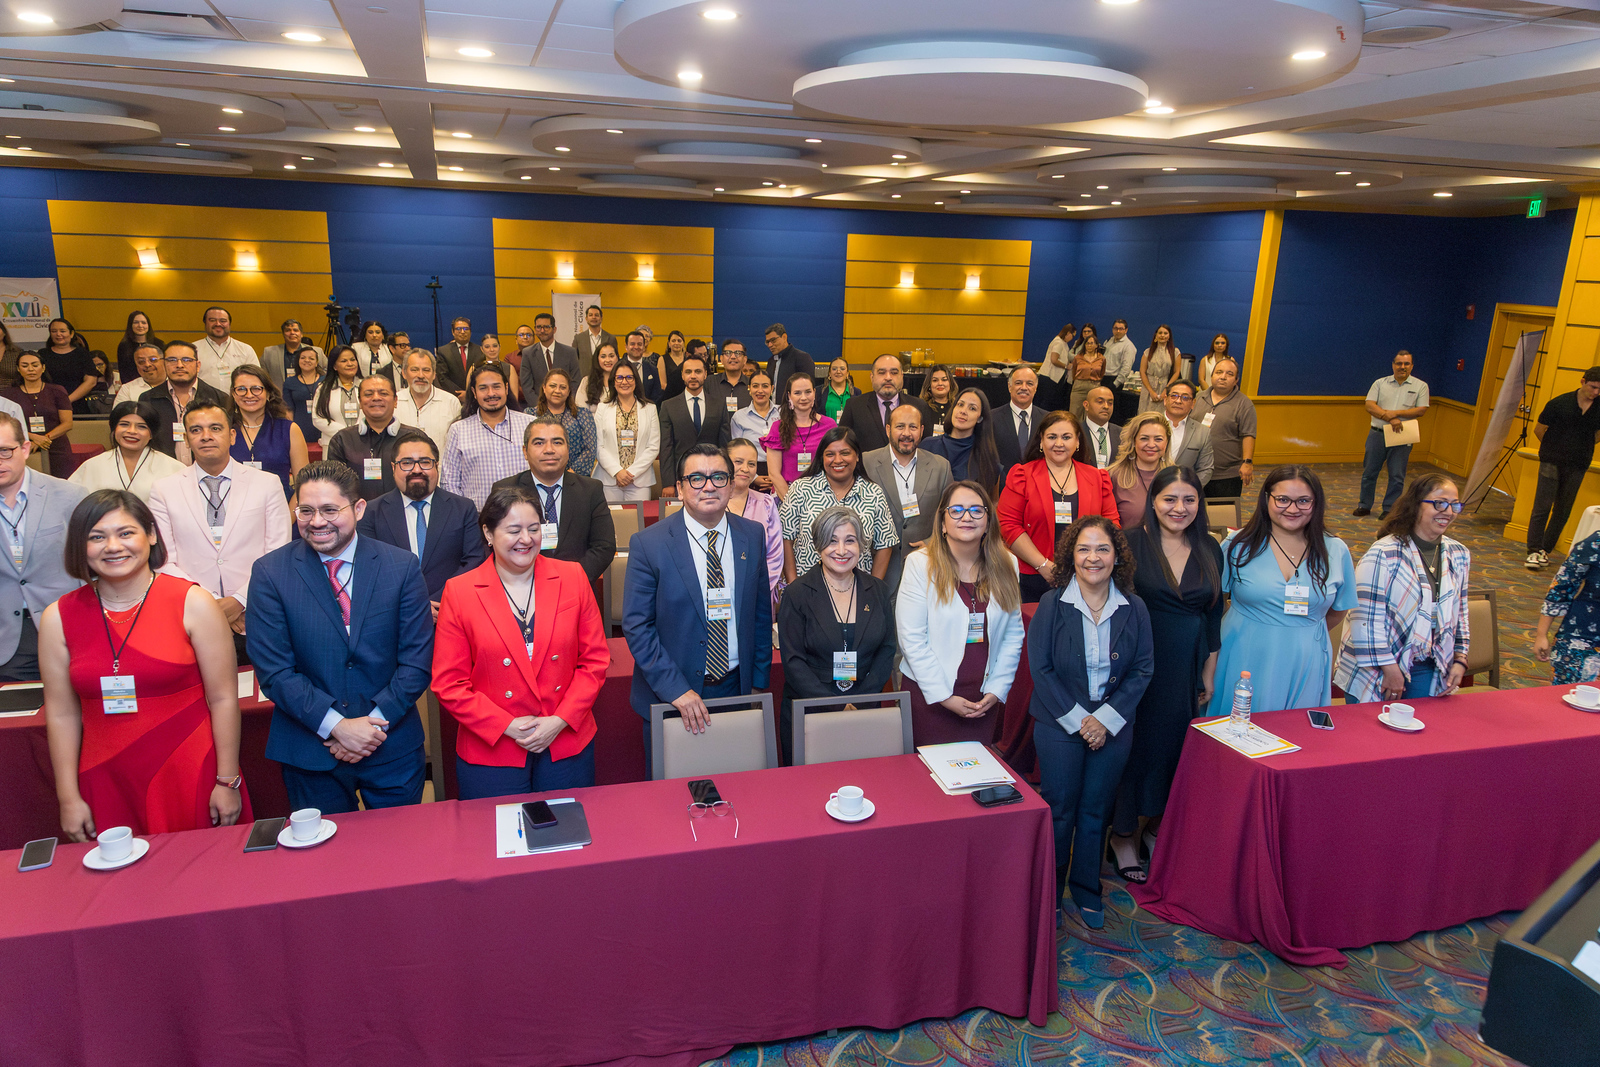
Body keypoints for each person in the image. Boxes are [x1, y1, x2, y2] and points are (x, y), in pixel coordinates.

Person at [40, 489, 250, 841]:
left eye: (125, 533)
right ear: (81, 546)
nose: (113, 546)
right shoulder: (58, 617)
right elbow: (62, 714)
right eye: (96, 537)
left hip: (189, 771)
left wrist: (227, 779)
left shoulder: (193, 602)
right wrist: (68, 797)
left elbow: (224, 699)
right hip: (105, 777)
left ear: (150, 536)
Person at [246, 462, 432, 812]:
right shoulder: (270, 573)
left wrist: (370, 727)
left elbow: (416, 662)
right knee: (324, 864)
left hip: (391, 745)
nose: (317, 521)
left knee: (403, 856)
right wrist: (337, 726)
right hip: (311, 750)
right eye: (306, 510)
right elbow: (275, 672)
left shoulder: (400, 566)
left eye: (330, 510)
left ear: (358, 508)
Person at [433, 486, 609, 797]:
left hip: (565, 740)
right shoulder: (460, 592)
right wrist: (507, 726)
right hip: (493, 749)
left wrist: (559, 720)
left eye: (533, 529)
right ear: (488, 533)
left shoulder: (573, 578)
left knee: (567, 837)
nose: (526, 539)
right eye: (513, 530)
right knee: (495, 840)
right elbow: (449, 684)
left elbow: (594, 661)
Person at [1027, 515, 1154, 928]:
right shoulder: (1052, 604)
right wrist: (1083, 721)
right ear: (1071, 556)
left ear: (1117, 556)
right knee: (1060, 810)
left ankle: (1086, 890)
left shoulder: (1134, 608)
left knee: (1096, 811)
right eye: (1083, 549)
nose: (1093, 557)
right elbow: (1041, 669)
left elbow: (1142, 670)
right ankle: (1051, 894)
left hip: (1113, 725)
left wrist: (1105, 720)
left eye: (1102, 549)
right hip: (1059, 723)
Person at [623, 444, 773, 765]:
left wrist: (758, 682)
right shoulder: (649, 543)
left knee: (738, 785)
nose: (708, 486)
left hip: (737, 687)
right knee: (675, 799)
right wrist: (675, 689)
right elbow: (637, 627)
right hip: (673, 694)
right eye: (696, 478)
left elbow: (760, 613)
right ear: (679, 487)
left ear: (732, 485)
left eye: (719, 477)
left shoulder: (752, 535)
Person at [1108, 467, 1222, 882]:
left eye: (1189, 500)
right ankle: (1122, 834)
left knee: (1173, 748)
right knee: (1134, 747)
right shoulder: (1130, 543)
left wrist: (1208, 672)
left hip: (1185, 665)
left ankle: (1155, 826)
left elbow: (1213, 616)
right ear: (1153, 501)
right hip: (1135, 662)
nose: (1179, 508)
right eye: (1169, 499)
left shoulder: (1210, 546)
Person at [150, 399, 292, 666]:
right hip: (191, 616)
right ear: (186, 437)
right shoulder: (164, 490)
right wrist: (213, 604)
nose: (206, 436)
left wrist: (239, 600)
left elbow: (279, 553)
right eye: (196, 430)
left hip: (257, 614)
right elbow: (163, 560)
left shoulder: (267, 484)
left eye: (215, 428)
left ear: (232, 435)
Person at [1209, 465, 1356, 716]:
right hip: (1243, 651)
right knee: (1235, 730)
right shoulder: (1238, 545)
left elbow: (1338, 610)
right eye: (1283, 499)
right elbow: (1214, 603)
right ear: (1266, 499)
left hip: (1304, 658)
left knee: (1294, 733)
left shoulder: (1335, 549)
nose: (1292, 508)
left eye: (1303, 501)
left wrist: (1300, 629)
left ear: (1316, 503)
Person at [897, 480, 1024, 747]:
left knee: (976, 781)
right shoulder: (920, 565)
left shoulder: (1007, 564)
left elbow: (1013, 634)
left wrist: (997, 690)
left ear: (988, 522)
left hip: (982, 700)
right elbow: (912, 640)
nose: (967, 517)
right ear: (942, 523)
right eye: (956, 510)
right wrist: (944, 697)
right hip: (930, 698)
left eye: (976, 510)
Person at [1336, 474, 1470, 703]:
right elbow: (1364, 619)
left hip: (1429, 664)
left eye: (1454, 505)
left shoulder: (1459, 553)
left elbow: (1461, 613)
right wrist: (1390, 669)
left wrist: (1459, 658)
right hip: (1375, 667)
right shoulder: (1384, 552)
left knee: (1418, 735)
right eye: (1439, 503)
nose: (1448, 512)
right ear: (1416, 504)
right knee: (1370, 736)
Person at [777, 506, 897, 762]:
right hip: (809, 712)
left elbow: (887, 650)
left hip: (864, 710)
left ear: (861, 545)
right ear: (818, 545)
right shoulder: (797, 593)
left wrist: (859, 701)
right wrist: (837, 706)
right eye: (832, 541)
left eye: (849, 540)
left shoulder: (877, 591)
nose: (841, 550)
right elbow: (793, 661)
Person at [356, 428, 486, 619]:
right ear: (393, 468)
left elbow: (474, 560)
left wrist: (442, 600)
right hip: (393, 616)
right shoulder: (371, 513)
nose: (416, 470)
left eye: (425, 462)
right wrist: (412, 604)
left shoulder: (463, 508)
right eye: (406, 463)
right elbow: (367, 568)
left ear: (436, 466)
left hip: (451, 612)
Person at [0, 413, 88, 681]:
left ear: (25, 448)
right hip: (7, 639)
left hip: (68, 629)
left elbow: (92, 566)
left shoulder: (70, 496)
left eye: (4, 451)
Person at [999, 410, 1119, 602]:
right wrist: (1044, 566)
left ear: (1078, 441)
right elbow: (1008, 525)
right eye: (1052, 437)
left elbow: (1112, 525)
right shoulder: (1022, 475)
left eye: (1066, 437)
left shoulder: (1098, 478)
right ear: (1041, 440)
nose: (1059, 444)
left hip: (1088, 576)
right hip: (1033, 578)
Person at [491, 415, 617, 588]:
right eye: (539, 443)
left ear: (568, 449)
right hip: (520, 590)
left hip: (575, 590)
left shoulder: (590, 490)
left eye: (557, 442)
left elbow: (604, 546)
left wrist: (571, 580)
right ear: (525, 451)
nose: (549, 449)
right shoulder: (505, 489)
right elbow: (493, 545)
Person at [779, 426, 897, 582]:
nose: (838, 460)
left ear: (857, 456)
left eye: (845, 453)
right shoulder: (801, 489)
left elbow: (885, 543)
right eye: (830, 454)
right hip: (807, 589)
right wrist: (793, 585)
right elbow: (785, 538)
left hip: (857, 590)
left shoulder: (873, 493)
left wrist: (872, 588)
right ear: (822, 458)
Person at [863, 403, 953, 596]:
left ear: (921, 431)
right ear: (888, 430)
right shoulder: (865, 463)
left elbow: (951, 513)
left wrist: (932, 542)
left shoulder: (940, 467)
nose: (906, 433)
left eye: (913, 427)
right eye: (900, 426)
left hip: (926, 570)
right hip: (876, 570)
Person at [1524, 367, 1600, 570]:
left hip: (1578, 463)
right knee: (1542, 507)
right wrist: (1554, 448)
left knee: (1563, 510)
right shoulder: (1560, 403)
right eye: (1593, 387)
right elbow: (1539, 429)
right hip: (1551, 460)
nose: (1595, 393)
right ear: (1583, 382)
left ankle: (1544, 550)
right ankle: (1533, 550)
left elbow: (1597, 435)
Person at [442, 363, 535, 509]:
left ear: (506, 388)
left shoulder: (529, 424)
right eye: (483, 388)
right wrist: (464, 515)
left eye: (496, 386)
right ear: (473, 392)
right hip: (476, 519)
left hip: (524, 517)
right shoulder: (458, 430)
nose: (491, 393)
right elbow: (449, 482)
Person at [1355, 350, 1430, 519]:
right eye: (1399, 363)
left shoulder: (1421, 386)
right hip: (1377, 434)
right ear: (1393, 365)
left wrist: (1394, 414)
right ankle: (1364, 505)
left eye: (1406, 364)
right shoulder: (1380, 383)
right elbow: (1369, 405)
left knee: (1397, 475)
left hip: (1402, 435)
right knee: (1369, 472)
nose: (1402, 367)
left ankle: (1390, 509)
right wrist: (1387, 416)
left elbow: (1421, 410)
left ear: (1411, 366)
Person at [68, 401, 186, 501]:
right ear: (114, 429)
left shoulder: (174, 468)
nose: (132, 431)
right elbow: (71, 499)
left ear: (151, 434)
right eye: (124, 424)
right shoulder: (93, 465)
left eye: (141, 427)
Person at [326, 374, 414, 501]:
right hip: (359, 515)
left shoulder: (414, 438)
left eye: (383, 393)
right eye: (368, 394)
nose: (376, 398)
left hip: (403, 514)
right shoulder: (342, 440)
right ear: (360, 402)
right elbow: (335, 488)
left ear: (395, 401)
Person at [228, 365, 309, 496]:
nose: (249, 395)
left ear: (268, 393)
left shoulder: (289, 430)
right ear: (233, 394)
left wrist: (287, 516)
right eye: (241, 389)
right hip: (232, 511)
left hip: (280, 509)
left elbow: (304, 484)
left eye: (256, 389)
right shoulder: (224, 430)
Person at [657, 353, 730, 497]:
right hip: (682, 476)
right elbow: (666, 447)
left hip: (713, 476)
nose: (693, 376)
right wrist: (667, 483)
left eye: (698, 371)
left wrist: (725, 476)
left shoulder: (719, 404)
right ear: (682, 376)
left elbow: (725, 445)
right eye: (688, 372)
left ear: (705, 374)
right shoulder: (668, 406)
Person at [142, 341, 226, 463]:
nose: (179, 365)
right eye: (172, 360)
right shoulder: (148, 399)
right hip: (162, 473)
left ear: (198, 365)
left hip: (206, 471)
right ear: (164, 364)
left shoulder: (218, 399)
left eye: (186, 360)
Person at [1536, 529, 1600, 682]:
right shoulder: (1595, 543)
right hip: (1581, 640)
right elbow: (1561, 588)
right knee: (1568, 698)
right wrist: (1541, 634)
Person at [838, 352, 933, 455]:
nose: (888, 377)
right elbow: (843, 445)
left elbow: (926, 446)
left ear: (902, 376)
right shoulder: (854, 406)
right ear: (872, 377)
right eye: (882, 372)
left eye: (894, 372)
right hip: (867, 469)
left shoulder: (919, 406)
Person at [593, 359, 659, 502]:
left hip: (639, 481)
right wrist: (617, 472)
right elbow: (598, 445)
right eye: (620, 378)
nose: (625, 382)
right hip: (609, 479)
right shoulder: (603, 408)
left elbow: (653, 447)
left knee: (638, 522)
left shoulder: (650, 409)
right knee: (611, 521)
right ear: (613, 381)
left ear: (636, 380)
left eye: (629, 377)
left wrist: (631, 473)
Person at [725, 438, 783, 601]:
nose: (745, 469)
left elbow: (775, 554)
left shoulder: (766, 503)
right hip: (719, 594)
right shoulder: (712, 503)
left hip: (760, 594)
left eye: (751, 464)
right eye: (738, 462)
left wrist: (758, 589)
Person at [762, 372, 835, 501]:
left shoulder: (829, 425)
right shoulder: (778, 428)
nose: (803, 397)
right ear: (789, 396)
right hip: (786, 495)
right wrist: (792, 504)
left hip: (823, 495)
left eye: (808, 392)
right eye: (797, 393)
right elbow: (774, 474)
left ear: (814, 393)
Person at [1193, 357, 1257, 499]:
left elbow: (1248, 435)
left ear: (1236, 380)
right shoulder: (1198, 398)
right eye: (1219, 372)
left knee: (1222, 517)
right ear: (1212, 376)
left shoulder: (1244, 404)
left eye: (1229, 374)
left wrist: (1247, 463)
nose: (1223, 377)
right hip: (1195, 471)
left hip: (1226, 475)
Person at [918, 387, 1001, 493]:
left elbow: (993, 502)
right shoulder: (928, 446)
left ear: (980, 418)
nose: (963, 411)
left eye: (972, 408)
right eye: (960, 404)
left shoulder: (986, 457)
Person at [4, 351, 73, 473]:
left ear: (43, 367)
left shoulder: (57, 390)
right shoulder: (8, 394)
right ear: (18, 369)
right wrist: (33, 438)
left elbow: (67, 423)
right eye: (25, 366)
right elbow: (6, 424)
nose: (30, 369)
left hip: (56, 446)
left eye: (35, 365)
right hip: (24, 447)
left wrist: (44, 439)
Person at [1108, 412, 1172, 530]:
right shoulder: (1112, 476)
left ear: (1166, 442)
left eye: (1158, 439)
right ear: (1133, 441)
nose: (1151, 445)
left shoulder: (1176, 477)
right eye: (1144, 438)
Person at [394, 348, 460, 453]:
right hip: (403, 468)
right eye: (414, 370)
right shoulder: (394, 402)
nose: (421, 375)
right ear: (404, 373)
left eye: (426, 370)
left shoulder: (451, 402)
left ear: (434, 374)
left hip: (440, 469)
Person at [534, 367, 597, 477]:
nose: (557, 391)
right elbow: (529, 449)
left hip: (576, 478)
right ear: (544, 388)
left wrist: (569, 475)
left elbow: (590, 449)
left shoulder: (582, 415)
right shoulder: (531, 415)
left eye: (563, 387)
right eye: (552, 386)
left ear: (568, 392)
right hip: (541, 476)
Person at [193, 307, 260, 393]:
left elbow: (256, 379)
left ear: (229, 324)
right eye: (212, 320)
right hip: (203, 403)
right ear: (205, 323)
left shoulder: (245, 349)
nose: (218, 324)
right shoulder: (192, 350)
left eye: (223, 321)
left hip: (238, 402)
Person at [519, 311, 580, 404]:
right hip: (538, 408)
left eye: (546, 327)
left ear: (554, 329)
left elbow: (575, 382)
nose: (542, 330)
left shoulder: (570, 352)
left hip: (565, 407)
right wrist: (540, 406)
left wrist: (566, 404)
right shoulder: (528, 353)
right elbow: (526, 386)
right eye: (539, 327)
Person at [730, 370, 779, 483]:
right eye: (755, 386)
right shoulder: (739, 417)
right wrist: (754, 478)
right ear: (749, 389)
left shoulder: (783, 413)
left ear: (772, 389)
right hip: (750, 472)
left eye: (765, 386)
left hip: (780, 470)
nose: (760, 390)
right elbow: (736, 453)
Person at [993, 366, 1040, 482]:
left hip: (1037, 485)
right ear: (1010, 387)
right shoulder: (992, 418)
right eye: (1018, 383)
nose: (1024, 388)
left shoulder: (1047, 420)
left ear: (1036, 388)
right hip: (1002, 487)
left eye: (1029, 383)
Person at [311, 346, 364, 446]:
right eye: (344, 361)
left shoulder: (367, 386)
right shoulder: (323, 388)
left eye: (353, 360)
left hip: (363, 442)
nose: (350, 364)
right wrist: (346, 433)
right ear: (334, 366)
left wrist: (358, 432)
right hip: (333, 443)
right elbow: (317, 418)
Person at [1163, 381, 1213, 486]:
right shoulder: (1147, 425)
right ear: (1165, 399)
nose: (1178, 401)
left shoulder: (1202, 432)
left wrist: (1189, 489)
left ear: (1193, 404)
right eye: (1174, 396)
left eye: (1185, 398)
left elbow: (1206, 469)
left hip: (1184, 494)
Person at [40, 317, 97, 407]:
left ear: (71, 333)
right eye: (54, 331)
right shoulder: (42, 354)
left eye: (62, 331)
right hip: (48, 403)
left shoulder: (82, 354)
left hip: (77, 403)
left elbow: (91, 381)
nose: (58, 334)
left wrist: (67, 401)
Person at [281, 345, 325, 448]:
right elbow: (288, 410)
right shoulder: (290, 382)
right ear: (298, 361)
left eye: (311, 358)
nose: (307, 360)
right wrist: (290, 430)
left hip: (322, 426)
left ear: (317, 362)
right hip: (300, 426)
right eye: (303, 358)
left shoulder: (326, 380)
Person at [261, 318, 324, 389]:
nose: (292, 333)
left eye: (295, 330)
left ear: (301, 334)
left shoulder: (317, 352)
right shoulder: (269, 353)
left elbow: (327, 372)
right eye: (288, 330)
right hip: (280, 396)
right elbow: (262, 377)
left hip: (310, 395)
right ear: (283, 334)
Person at [1104, 318, 1140, 425]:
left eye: (1121, 329)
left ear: (1126, 330)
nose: (1118, 331)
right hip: (1103, 379)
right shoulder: (1109, 341)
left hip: (1114, 381)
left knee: (1112, 413)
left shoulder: (1128, 346)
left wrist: (1115, 384)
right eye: (1115, 328)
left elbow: (1126, 368)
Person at [435, 316, 483, 396]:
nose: (462, 332)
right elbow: (442, 378)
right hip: (453, 396)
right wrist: (459, 394)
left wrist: (469, 393)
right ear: (453, 332)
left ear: (470, 332)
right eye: (458, 329)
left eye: (466, 329)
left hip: (475, 396)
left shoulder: (480, 351)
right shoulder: (443, 351)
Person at [1138, 325, 1181, 416]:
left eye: (1165, 333)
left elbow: (1176, 372)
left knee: (1162, 416)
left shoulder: (1175, 352)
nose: (1162, 335)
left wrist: (1166, 389)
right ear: (1156, 336)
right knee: (1145, 415)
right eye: (1160, 333)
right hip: (1148, 387)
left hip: (1165, 386)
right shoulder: (1147, 352)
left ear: (1169, 336)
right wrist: (1151, 391)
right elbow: (1142, 372)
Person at [112, 341, 167, 411]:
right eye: (141, 361)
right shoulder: (127, 389)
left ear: (164, 361)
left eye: (153, 360)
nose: (147, 365)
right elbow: (118, 417)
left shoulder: (176, 385)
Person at [115, 310, 164, 384]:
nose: (140, 326)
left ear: (148, 325)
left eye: (143, 323)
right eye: (136, 322)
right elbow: (123, 372)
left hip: (156, 384)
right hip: (132, 386)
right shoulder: (124, 346)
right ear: (130, 325)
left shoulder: (159, 344)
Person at [571, 305, 617, 383]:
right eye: (590, 315)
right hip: (584, 379)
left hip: (606, 380)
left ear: (601, 318)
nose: (593, 317)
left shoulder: (610, 338)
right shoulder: (578, 338)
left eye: (596, 315)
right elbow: (574, 361)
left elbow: (615, 360)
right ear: (586, 319)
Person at [1037, 323, 1077, 410]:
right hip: (1049, 377)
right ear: (1068, 333)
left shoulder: (1064, 343)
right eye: (1072, 336)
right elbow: (1054, 359)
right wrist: (1066, 366)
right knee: (1046, 404)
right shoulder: (1058, 342)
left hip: (1055, 378)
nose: (1072, 338)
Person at [1080, 385, 1121, 470]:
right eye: (1100, 402)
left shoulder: (1122, 434)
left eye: (1110, 403)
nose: (1106, 406)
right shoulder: (1076, 431)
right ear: (1086, 405)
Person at [763, 323, 815, 389]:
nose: (770, 345)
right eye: (767, 342)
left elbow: (808, 387)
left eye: (773, 340)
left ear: (784, 337)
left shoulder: (802, 358)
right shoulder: (771, 361)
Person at [708, 338, 752, 413]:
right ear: (721, 359)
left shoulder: (752, 384)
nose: (733, 357)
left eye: (738, 353)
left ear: (745, 360)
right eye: (728, 353)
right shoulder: (710, 382)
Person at [649, 330, 691, 404]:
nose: (676, 343)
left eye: (679, 341)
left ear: (683, 343)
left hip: (687, 397)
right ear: (669, 344)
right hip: (668, 398)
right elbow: (662, 383)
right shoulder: (662, 359)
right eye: (673, 341)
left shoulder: (689, 360)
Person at [1067, 336, 1105, 418]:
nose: (1089, 345)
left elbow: (1102, 373)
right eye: (1087, 343)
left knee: (1092, 413)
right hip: (1079, 387)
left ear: (1096, 345)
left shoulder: (1101, 358)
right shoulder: (1078, 358)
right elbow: (1074, 372)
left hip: (1094, 386)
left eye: (1091, 343)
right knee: (1074, 413)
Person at [478, 334, 521, 406]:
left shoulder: (509, 368)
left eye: (495, 346)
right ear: (482, 349)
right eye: (487, 347)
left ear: (500, 347)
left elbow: (514, 398)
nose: (492, 350)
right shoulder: (475, 368)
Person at [575, 342, 619, 410]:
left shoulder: (623, 381)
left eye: (611, 356)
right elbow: (581, 410)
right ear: (597, 359)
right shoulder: (586, 381)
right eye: (603, 356)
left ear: (617, 358)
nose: (608, 360)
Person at [919, 365, 955, 435]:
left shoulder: (956, 407)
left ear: (950, 383)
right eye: (935, 380)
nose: (940, 383)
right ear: (929, 385)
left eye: (944, 380)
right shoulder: (921, 407)